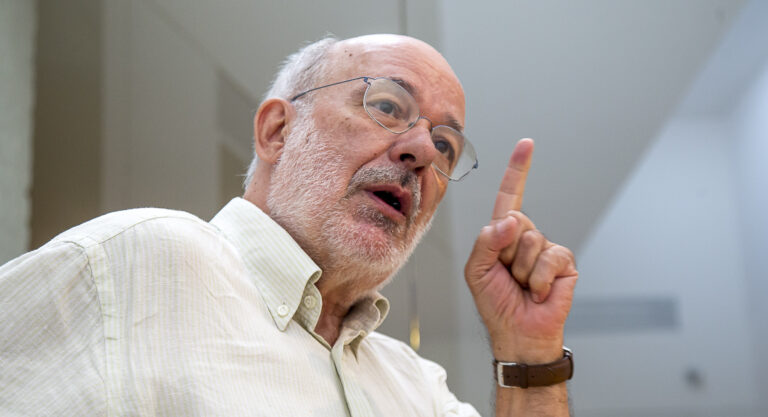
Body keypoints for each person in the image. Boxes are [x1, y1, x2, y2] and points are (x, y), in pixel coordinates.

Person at [0, 34, 577, 416]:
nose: (423, 151)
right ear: (277, 131)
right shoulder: (132, 265)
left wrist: (529, 354)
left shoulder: (419, 388)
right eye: (386, 106)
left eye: (446, 145)